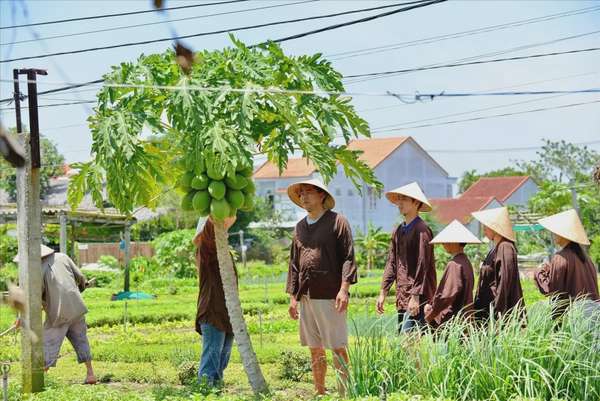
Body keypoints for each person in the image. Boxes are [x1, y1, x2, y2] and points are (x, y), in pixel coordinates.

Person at [286, 179, 357, 396]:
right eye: (301, 194)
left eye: (308, 192)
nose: (304, 197)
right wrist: (293, 297)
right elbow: (294, 264)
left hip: (330, 294)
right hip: (306, 295)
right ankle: (320, 391)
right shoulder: (299, 227)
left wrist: (344, 289)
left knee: (337, 346)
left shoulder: (337, 222)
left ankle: (344, 393)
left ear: (322, 196)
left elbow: (348, 257)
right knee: (314, 348)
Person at [14, 244, 96, 384]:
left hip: (58, 314)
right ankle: (90, 375)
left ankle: (38, 381)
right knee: (81, 340)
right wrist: (81, 289)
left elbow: (34, 298)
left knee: (47, 343)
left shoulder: (36, 270)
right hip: (77, 309)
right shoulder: (63, 257)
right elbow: (80, 278)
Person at [376, 182, 436, 332]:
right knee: (405, 342)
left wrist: (415, 296)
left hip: (418, 296)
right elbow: (392, 263)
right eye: (399, 199)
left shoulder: (422, 230)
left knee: (410, 341)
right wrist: (383, 292)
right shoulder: (398, 230)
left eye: (404, 199)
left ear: (416, 202)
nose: (399, 203)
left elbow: (423, 265)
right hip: (402, 295)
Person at [193, 215, 238, 387]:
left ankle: (216, 393)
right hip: (212, 312)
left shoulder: (222, 250)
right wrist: (213, 217)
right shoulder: (205, 249)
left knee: (221, 362)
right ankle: (204, 393)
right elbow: (208, 234)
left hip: (227, 314)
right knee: (210, 364)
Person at [534, 209, 599, 313]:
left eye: (556, 231)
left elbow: (553, 291)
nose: (553, 234)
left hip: (573, 320)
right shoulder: (586, 258)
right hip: (592, 316)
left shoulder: (560, 258)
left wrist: (539, 272)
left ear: (564, 234)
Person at [471, 207, 525, 320]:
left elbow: (504, 282)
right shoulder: (496, 248)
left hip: (498, 313)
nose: (484, 229)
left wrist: (498, 311)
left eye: (486, 226)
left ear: (495, 228)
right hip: (488, 310)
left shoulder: (505, 247)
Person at [424, 220, 479, 328]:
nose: (443, 244)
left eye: (446, 241)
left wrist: (431, 313)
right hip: (464, 318)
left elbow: (447, 295)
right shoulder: (466, 262)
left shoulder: (454, 264)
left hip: (452, 321)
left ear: (454, 242)